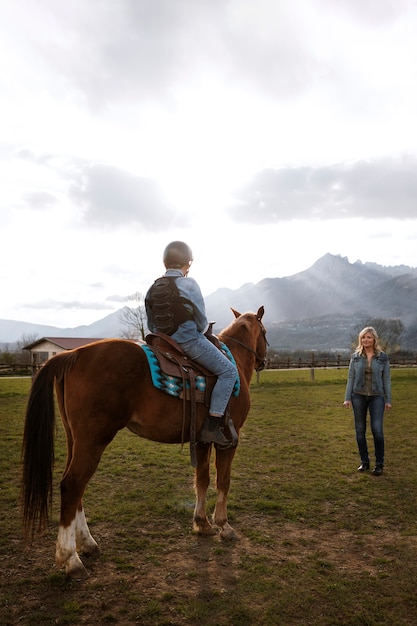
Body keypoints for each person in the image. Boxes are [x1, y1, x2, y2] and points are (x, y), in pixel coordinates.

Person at [145, 241, 238, 448]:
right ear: (187, 263)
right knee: (229, 372)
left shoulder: (153, 288)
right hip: (189, 343)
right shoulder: (189, 284)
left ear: (165, 262)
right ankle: (212, 426)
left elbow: (151, 324)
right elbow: (201, 322)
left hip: (160, 344)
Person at [343, 326, 392, 475]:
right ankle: (364, 462)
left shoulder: (382, 357)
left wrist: (387, 399)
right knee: (360, 430)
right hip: (358, 395)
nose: (366, 340)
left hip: (377, 396)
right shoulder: (355, 356)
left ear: (374, 339)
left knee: (377, 430)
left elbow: (387, 379)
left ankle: (379, 463)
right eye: (363, 337)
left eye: (369, 337)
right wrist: (347, 398)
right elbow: (350, 377)